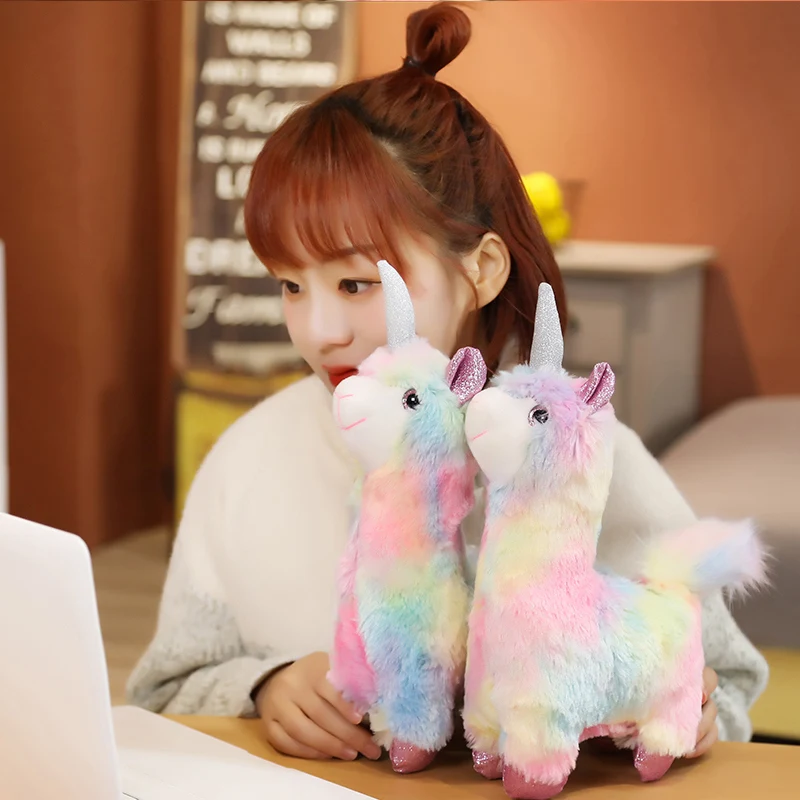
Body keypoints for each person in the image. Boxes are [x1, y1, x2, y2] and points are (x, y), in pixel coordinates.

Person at [127, 2, 767, 765]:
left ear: (482, 269)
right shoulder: (251, 456)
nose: (318, 331)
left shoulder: (582, 456)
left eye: (356, 284)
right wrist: (259, 686)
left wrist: (688, 714)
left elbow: (727, 686)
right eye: (290, 285)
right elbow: (165, 687)